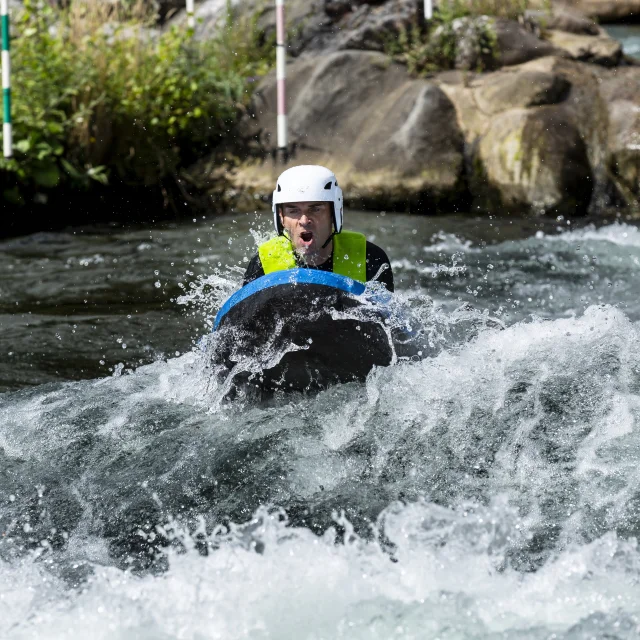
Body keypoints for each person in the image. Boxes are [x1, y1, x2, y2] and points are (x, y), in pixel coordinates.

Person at [243, 165, 394, 291]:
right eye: (293, 210)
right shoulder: (262, 264)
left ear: (334, 215)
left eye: (315, 209)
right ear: (281, 217)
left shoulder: (370, 258)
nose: (304, 220)